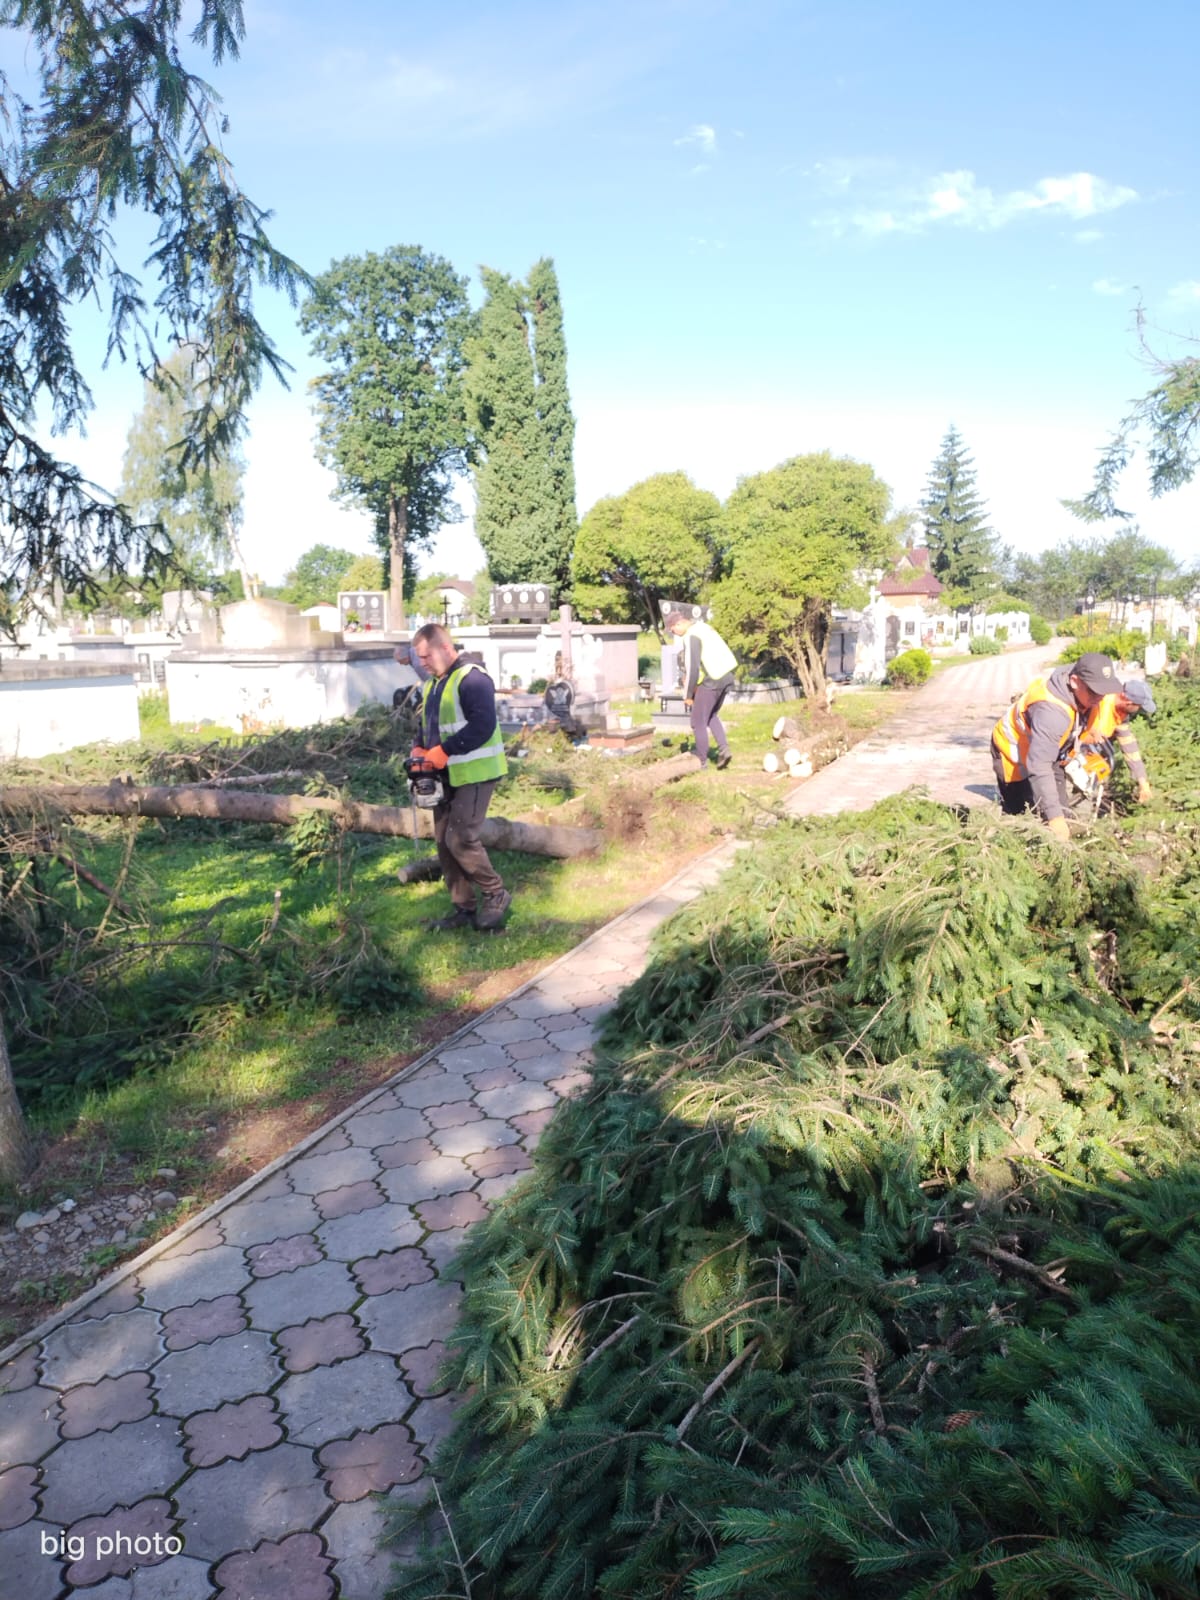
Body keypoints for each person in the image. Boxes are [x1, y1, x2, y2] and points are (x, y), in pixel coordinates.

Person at [410, 623, 511, 931]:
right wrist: (419, 747)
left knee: (460, 837)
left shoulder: (472, 679)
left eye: (426, 656)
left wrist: (445, 750)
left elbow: (482, 726)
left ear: (445, 648)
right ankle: (463, 909)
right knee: (444, 842)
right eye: (419, 658)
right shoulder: (433, 684)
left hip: (475, 772)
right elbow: (429, 725)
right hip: (444, 775)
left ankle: (495, 893)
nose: (422, 663)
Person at [990, 651, 1119, 841]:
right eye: (1094, 692)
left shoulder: (1082, 683)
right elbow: (1039, 765)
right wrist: (1054, 818)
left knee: (1062, 812)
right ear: (1074, 681)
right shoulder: (1052, 713)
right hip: (1014, 752)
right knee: (1023, 817)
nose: (1100, 698)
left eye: (1103, 692)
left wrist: (1091, 726)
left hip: (1051, 752)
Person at [1066, 676, 1156, 805]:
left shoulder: (1121, 715)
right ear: (1128, 702)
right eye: (1139, 706)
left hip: (1080, 749)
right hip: (1065, 743)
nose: (1138, 710)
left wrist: (1143, 784)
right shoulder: (1099, 698)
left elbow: (1130, 749)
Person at [665, 610, 737, 771]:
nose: (673, 633)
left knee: (698, 722)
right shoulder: (703, 627)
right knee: (710, 715)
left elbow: (693, 668)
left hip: (713, 679)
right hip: (727, 675)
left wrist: (688, 694)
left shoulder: (691, 636)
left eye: (672, 630)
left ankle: (701, 760)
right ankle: (724, 749)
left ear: (679, 624)